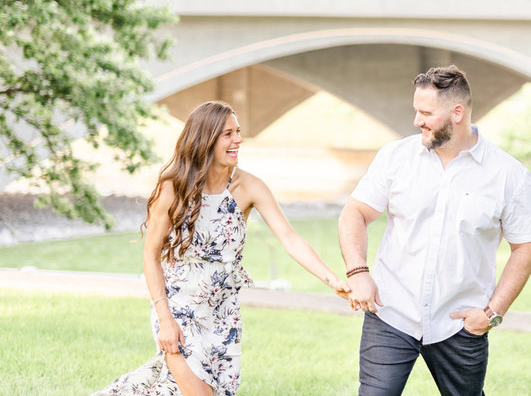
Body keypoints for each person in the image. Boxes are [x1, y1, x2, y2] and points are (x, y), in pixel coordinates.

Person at [93, 100, 349, 396]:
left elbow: (290, 238)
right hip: (179, 307)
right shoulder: (172, 187)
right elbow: (151, 257)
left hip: (223, 312)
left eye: (238, 132)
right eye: (228, 134)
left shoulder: (249, 187)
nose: (238, 139)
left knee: (177, 388)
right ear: (206, 139)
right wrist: (165, 319)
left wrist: (333, 281)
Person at [339, 65, 531, 396]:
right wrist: (358, 272)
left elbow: (526, 247)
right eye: (416, 111)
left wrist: (492, 313)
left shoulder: (509, 175)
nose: (416, 121)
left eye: (426, 113)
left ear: (457, 113)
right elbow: (355, 213)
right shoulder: (395, 157)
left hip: (461, 324)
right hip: (391, 313)